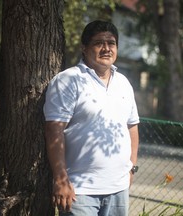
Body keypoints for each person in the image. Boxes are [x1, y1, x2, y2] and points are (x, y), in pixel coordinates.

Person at [43, 20, 139, 216]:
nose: (106, 49)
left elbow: (132, 127)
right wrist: (61, 180)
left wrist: (132, 168)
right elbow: (54, 130)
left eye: (111, 43)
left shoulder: (124, 83)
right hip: (80, 191)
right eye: (98, 43)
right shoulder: (68, 80)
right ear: (84, 48)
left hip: (118, 190)